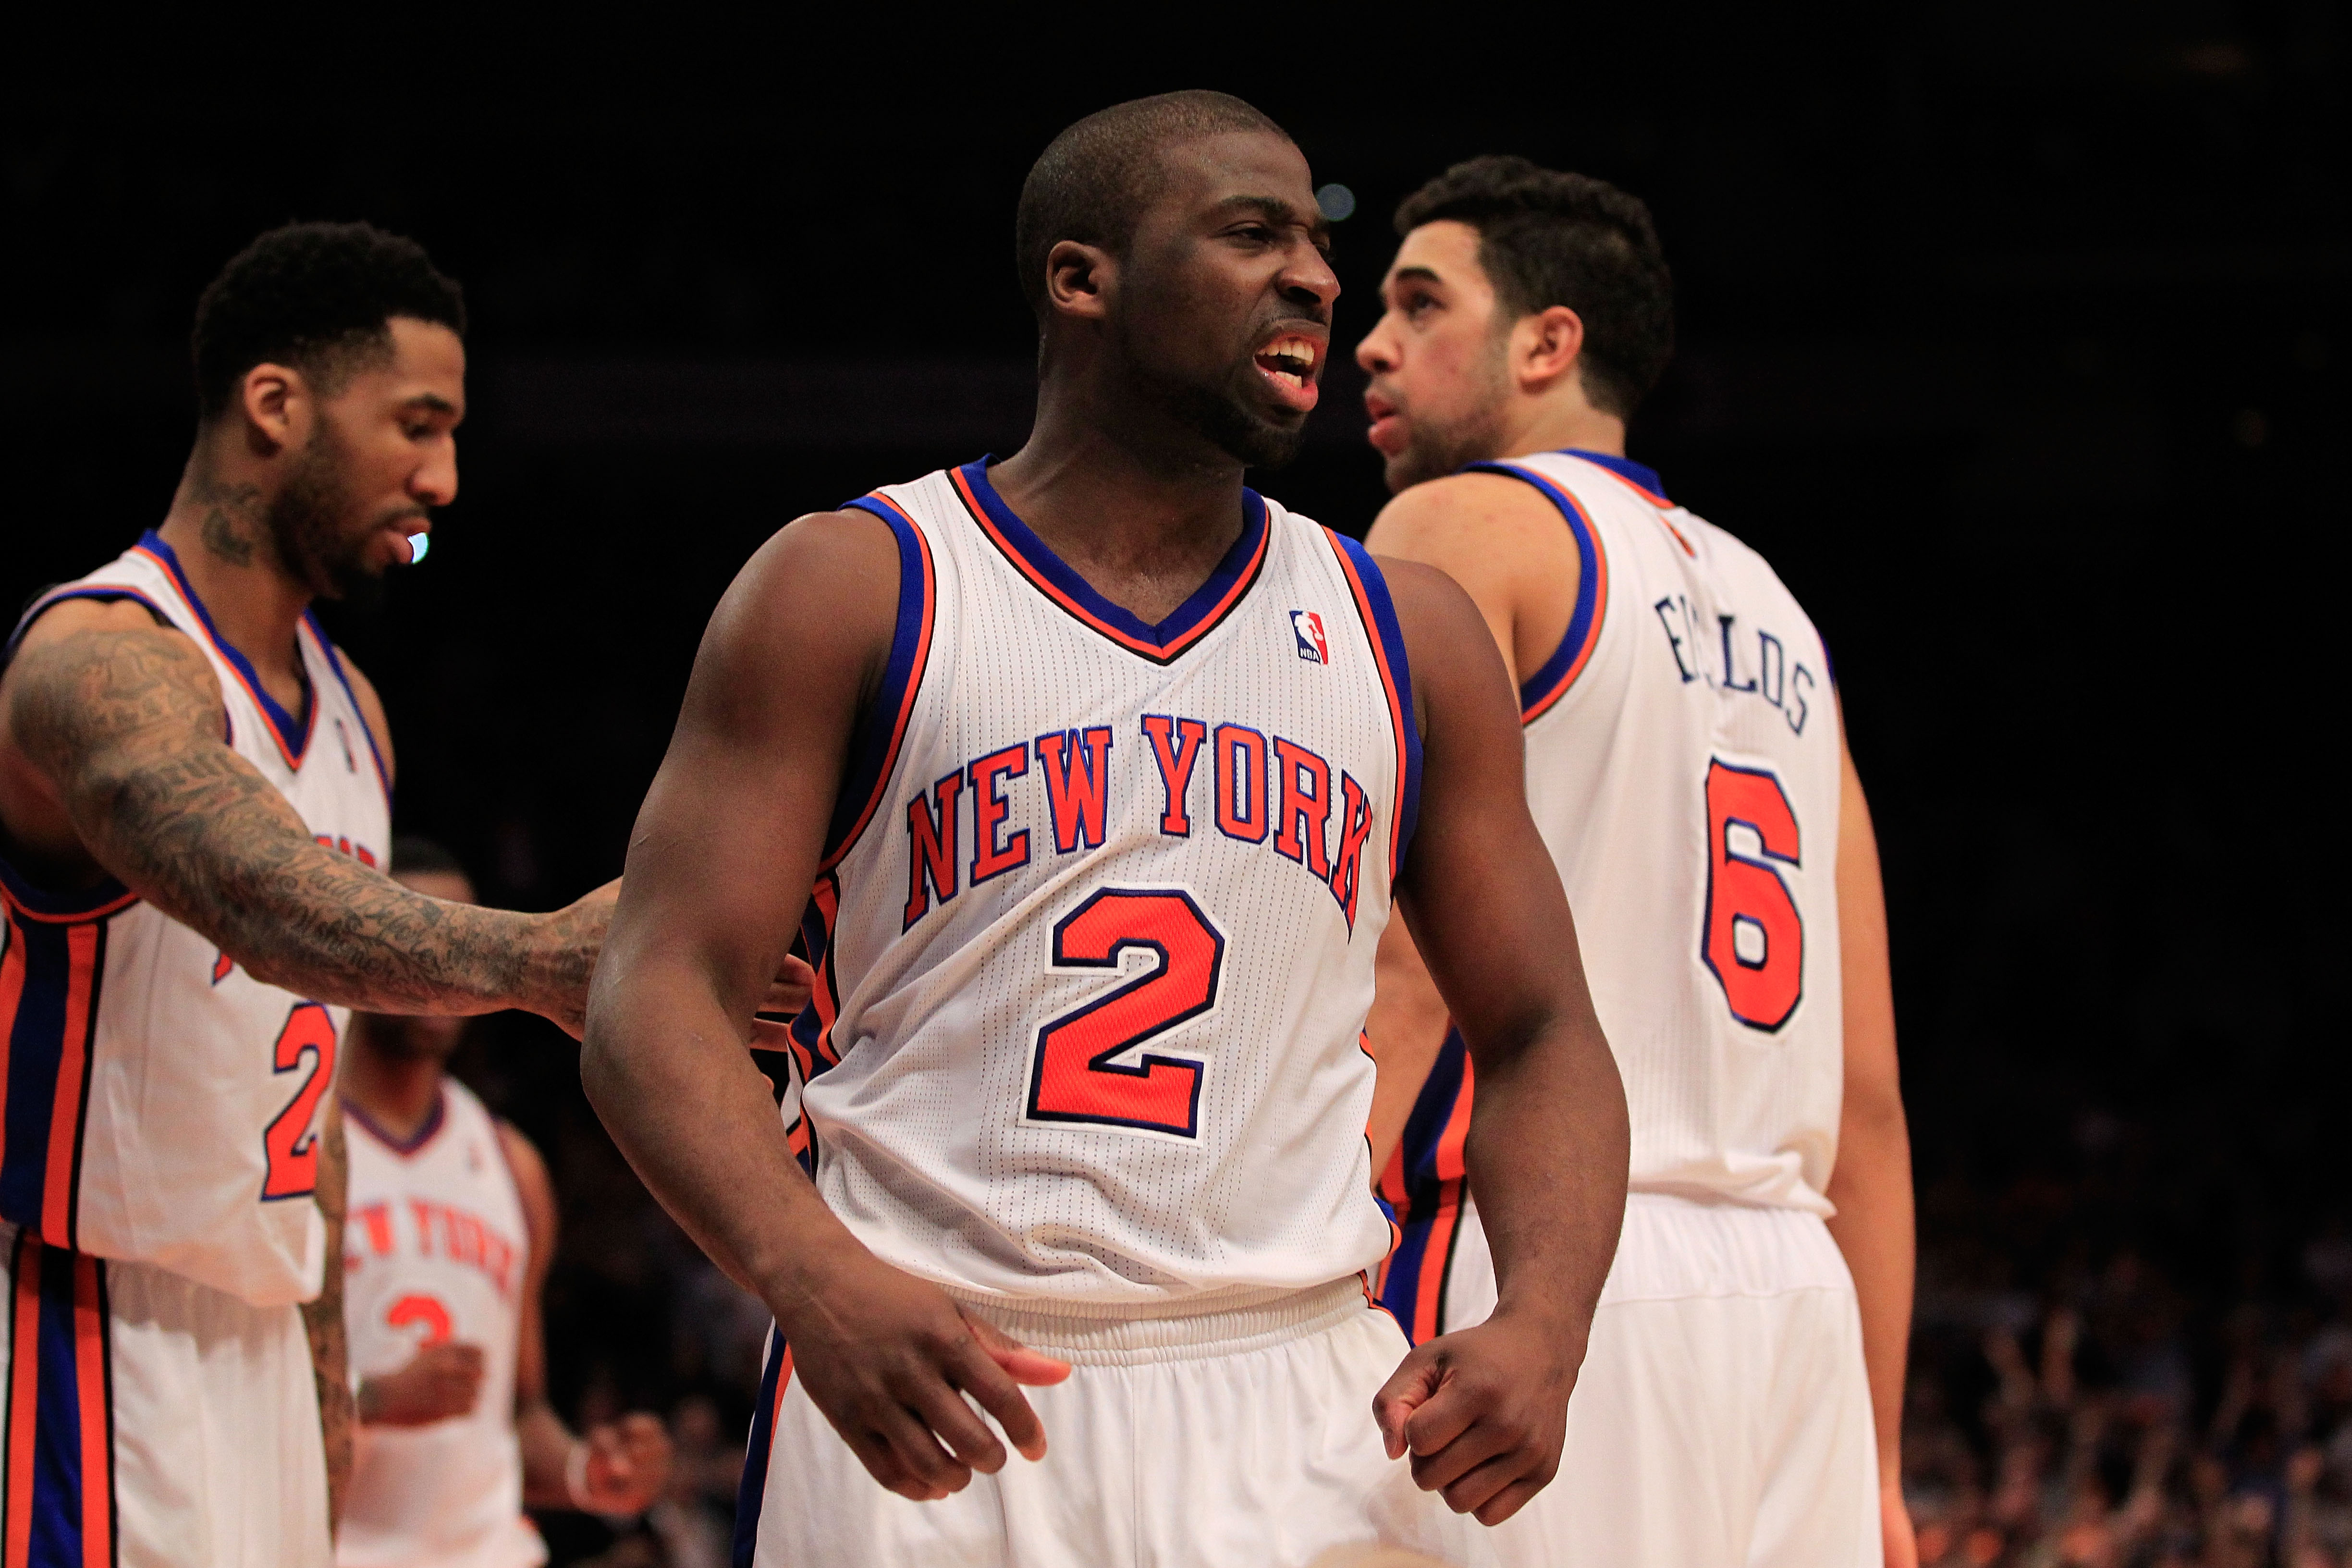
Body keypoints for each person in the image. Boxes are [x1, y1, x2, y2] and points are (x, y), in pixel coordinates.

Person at [580, 92, 1630, 1568]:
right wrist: (809, 1279)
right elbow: (652, 995)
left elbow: (1543, 1028)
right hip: (937, 1372)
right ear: (1083, 279)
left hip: (1303, 1389)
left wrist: (1545, 1322)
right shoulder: (854, 586)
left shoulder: (1411, 631)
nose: (1321, 280)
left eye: (1320, 244)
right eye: (1253, 233)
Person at [0, 223, 617, 1568]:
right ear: (276, 406)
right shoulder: (97, 657)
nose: (445, 476)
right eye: (417, 424)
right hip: (87, 1324)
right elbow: (262, 901)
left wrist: (324, 1397)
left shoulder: (358, 717)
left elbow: (313, 1094)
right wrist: (535, 957)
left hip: (269, 1340)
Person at [1352, 156, 1917, 1567]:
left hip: (1548, 1278)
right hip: (1797, 1312)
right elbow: (1869, 1102)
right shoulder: (1785, 615)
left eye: (1420, 304)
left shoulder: (1462, 525)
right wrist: (1883, 1465)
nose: (1370, 341)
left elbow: (1400, 964)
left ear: (1548, 344)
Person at [338, 837, 673, 1568]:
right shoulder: (302, 1146)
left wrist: (589, 1471)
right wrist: (371, 1402)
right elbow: (243, 1399)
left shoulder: (509, 1164)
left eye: (462, 934)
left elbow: (517, 1416)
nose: (445, 961)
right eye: (419, 933)